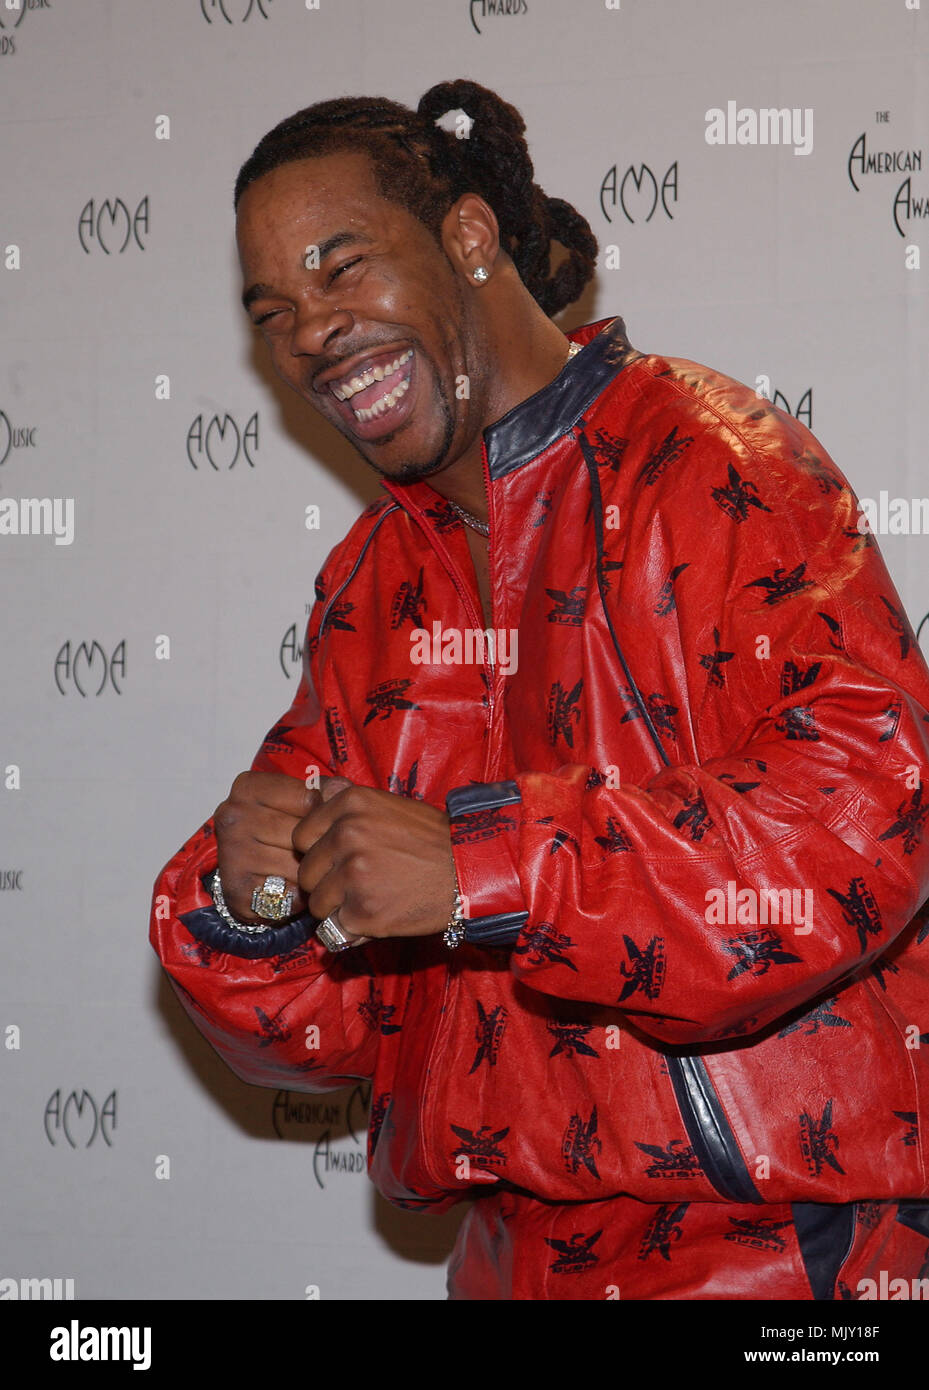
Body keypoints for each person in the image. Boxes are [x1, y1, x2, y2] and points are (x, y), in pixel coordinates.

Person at [150, 78, 929, 1301]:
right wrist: (255, 910)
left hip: (782, 1258)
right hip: (510, 1262)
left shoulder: (713, 462)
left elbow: (862, 827)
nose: (307, 331)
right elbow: (334, 1026)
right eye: (275, 311)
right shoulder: (370, 585)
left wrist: (481, 867)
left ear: (468, 238)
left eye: (340, 268)